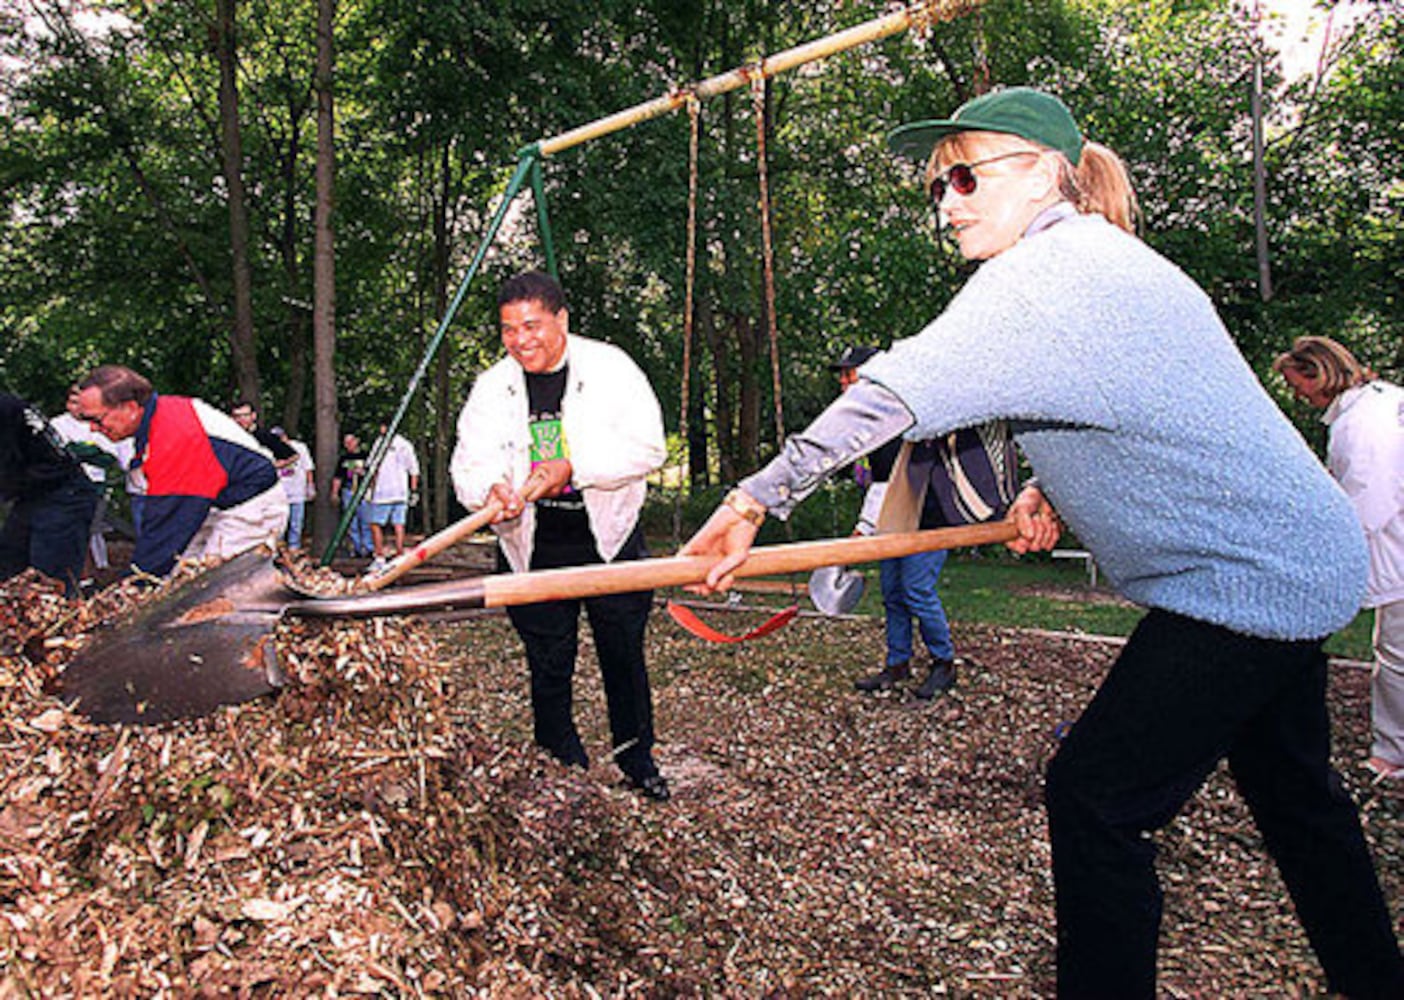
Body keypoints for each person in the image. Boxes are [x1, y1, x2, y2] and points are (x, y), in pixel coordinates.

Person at [681, 87, 1403, 997]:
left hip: (1244, 583)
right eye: (939, 184)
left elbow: (893, 391)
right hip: (1294, 562)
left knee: (1094, 799)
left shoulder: (1048, 273)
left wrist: (757, 495)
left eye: (966, 175)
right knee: (1300, 804)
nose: (947, 201)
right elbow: (1126, 409)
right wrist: (1041, 487)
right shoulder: (1097, 264)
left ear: (1042, 172)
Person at [451, 269, 670, 801]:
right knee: (548, 658)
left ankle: (637, 759)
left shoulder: (611, 369)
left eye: (533, 326)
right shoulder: (491, 387)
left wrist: (574, 468)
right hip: (534, 543)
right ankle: (560, 762)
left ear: (562, 320)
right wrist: (491, 490)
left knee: (622, 652)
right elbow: (469, 462)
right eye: (509, 330)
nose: (522, 341)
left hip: (608, 542)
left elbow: (649, 448)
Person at [831, 344, 1018, 698]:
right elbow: (881, 482)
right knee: (893, 594)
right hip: (894, 519)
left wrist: (862, 530)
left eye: (848, 373)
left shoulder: (901, 413)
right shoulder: (874, 420)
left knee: (916, 590)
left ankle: (943, 663)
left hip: (931, 518)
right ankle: (897, 665)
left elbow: (892, 482)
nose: (842, 381)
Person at [1273, 336, 1404, 784]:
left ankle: (1393, 754)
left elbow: (1369, 502)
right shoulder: (1382, 403)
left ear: (1320, 374)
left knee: (1397, 656)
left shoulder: (1362, 425)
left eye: (1298, 385)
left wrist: (1325, 548)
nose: (1298, 395)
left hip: (1396, 549)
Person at [73, 365, 289, 576]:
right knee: (179, 579)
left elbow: (166, 527)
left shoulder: (174, 437)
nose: (92, 428)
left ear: (130, 408)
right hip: (213, 507)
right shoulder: (159, 420)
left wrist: (137, 579)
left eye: (96, 420)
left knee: (214, 591)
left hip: (251, 508)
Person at [0, 392, 100, 596]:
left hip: (63, 491)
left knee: (50, 581)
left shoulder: (6, 410)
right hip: (30, 495)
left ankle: (59, 621)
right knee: (9, 566)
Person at [50, 385, 133, 572]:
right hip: (67, 486)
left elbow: (115, 455)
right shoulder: (57, 425)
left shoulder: (101, 423)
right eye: (72, 402)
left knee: (90, 530)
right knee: (75, 529)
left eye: (81, 403)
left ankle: (98, 570)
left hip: (97, 485)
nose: (76, 407)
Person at [363, 422, 420, 571]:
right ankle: (398, 554)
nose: (381, 429)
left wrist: (371, 488)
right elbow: (414, 470)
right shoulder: (403, 444)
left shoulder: (384, 443)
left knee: (376, 524)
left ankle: (381, 557)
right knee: (398, 524)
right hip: (400, 492)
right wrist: (413, 491)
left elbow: (373, 468)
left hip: (384, 492)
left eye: (383, 426)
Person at [272, 426, 315, 551]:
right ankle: (278, 548)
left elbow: (308, 468)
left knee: (296, 522)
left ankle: (294, 547)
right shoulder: (270, 449)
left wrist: (310, 485)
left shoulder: (299, 448)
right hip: (279, 492)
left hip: (297, 490)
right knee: (279, 522)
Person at [331, 432, 373, 558]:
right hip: (348, 491)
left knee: (366, 520)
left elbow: (373, 473)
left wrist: (364, 475)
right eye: (346, 443)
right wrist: (334, 493)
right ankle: (356, 548)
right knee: (351, 521)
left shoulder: (366, 456)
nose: (349, 445)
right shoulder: (343, 459)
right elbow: (337, 477)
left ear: (357, 441)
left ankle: (368, 548)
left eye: (351, 441)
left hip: (363, 491)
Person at [230, 400, 296, 464]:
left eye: (245, 415)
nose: (241, 419)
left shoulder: (266, 436)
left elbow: (293, 456)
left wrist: (271, 467)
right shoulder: (230, 437)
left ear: (253, 416)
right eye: (237, 416)